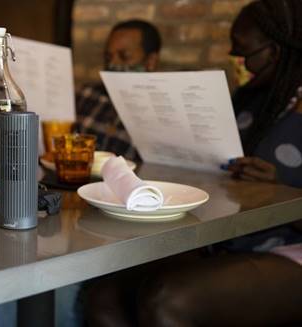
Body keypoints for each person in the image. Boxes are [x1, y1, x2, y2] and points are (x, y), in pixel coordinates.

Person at [84, 0, 302, 326]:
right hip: (228, 238)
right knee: (103, 293)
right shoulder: (250, 100)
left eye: (242, 52)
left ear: (278, 50)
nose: (235, 60)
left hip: (288, 247)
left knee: (169, 300)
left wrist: (281, 187)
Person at [75, 20, 162, 162]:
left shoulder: (162, 111)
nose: (113, 63)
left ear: (150, 61)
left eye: (124, 56)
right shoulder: (86, 94)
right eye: (108, 57)